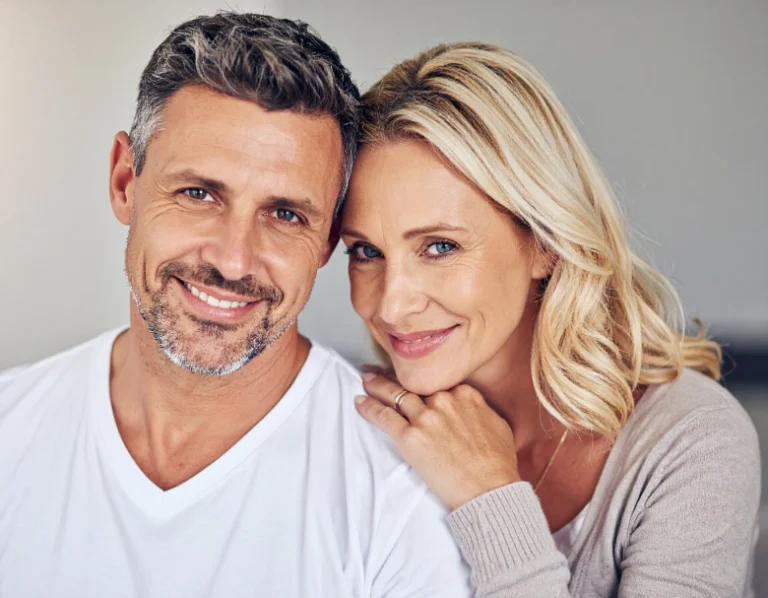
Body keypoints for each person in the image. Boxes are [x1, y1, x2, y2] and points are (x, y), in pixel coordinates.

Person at [0, 14, 472, 597]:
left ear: (328, 241)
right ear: (126, 181)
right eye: (198, 194)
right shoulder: (9, 428)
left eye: (285, 215)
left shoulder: (401, 500)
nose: (233, 260)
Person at [346, 42, 760, 597]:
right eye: (365, 252)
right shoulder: (360, 430)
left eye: (440, 247)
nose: (391, 305)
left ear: (546, 243)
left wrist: (491, 499)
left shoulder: (689, 442)